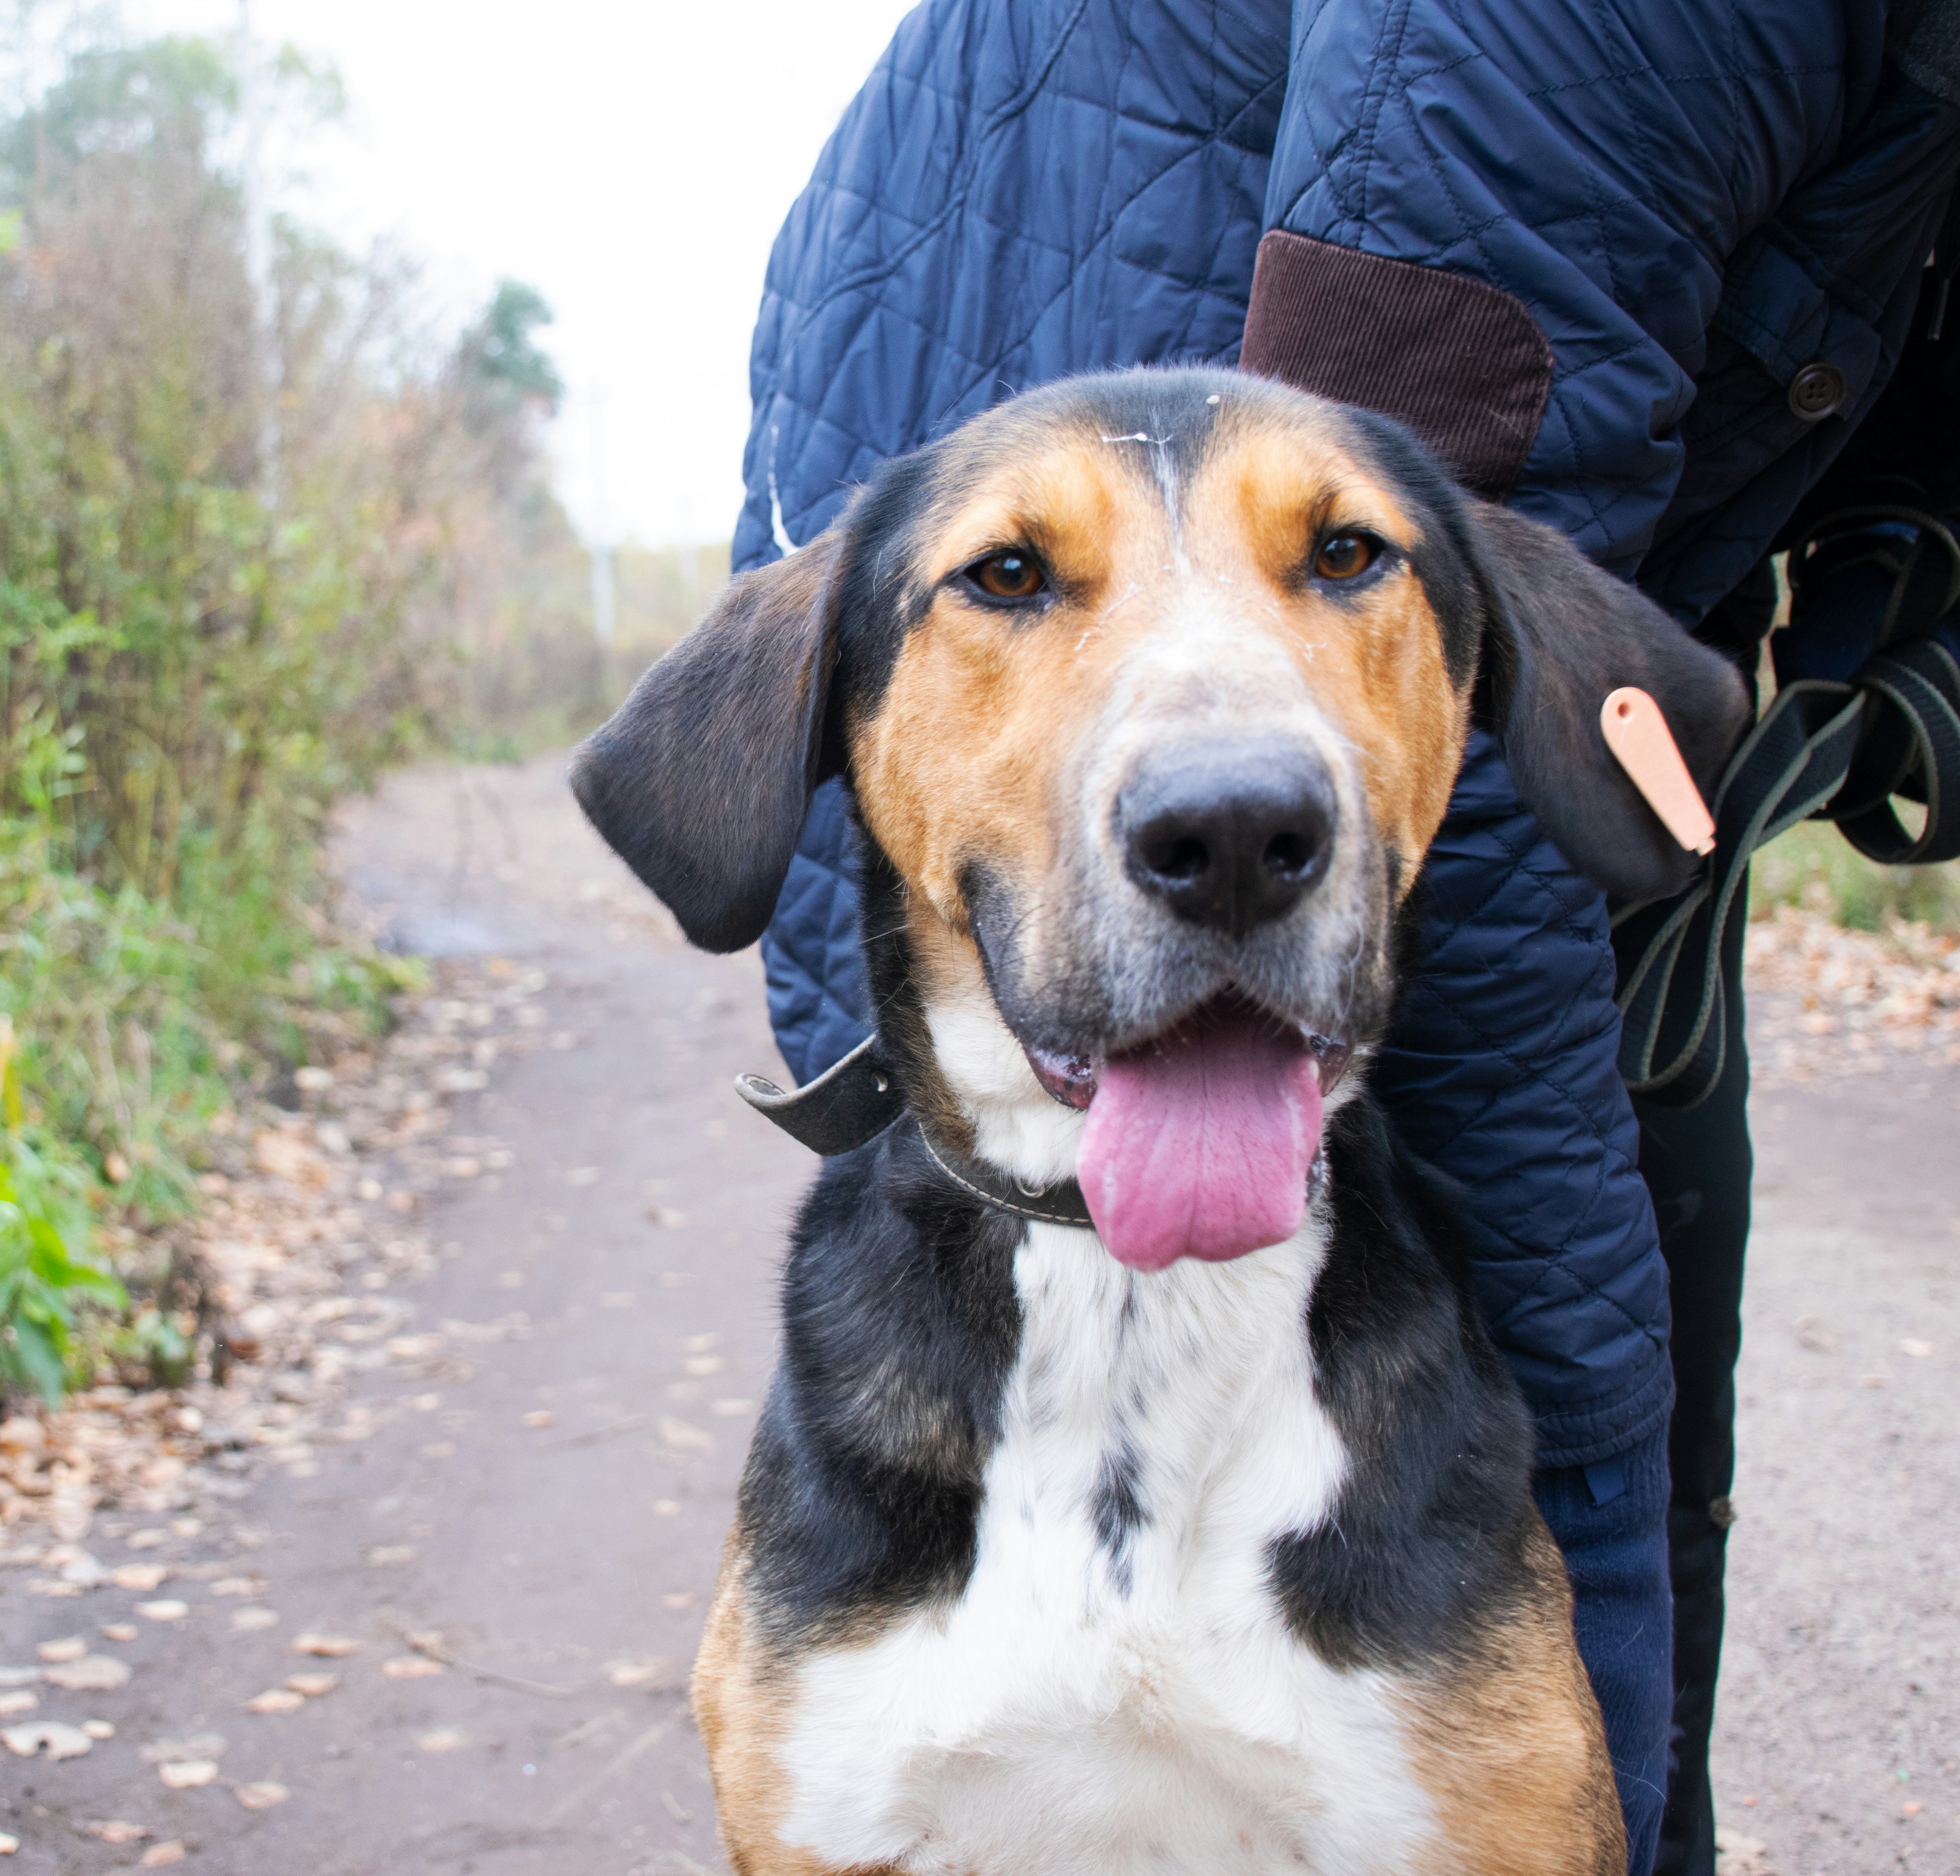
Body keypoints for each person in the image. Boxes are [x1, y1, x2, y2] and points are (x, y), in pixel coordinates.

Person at [733, 6, 1960, 1874]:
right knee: (1528, 1355)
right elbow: (1445, 485)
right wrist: (1579, 1493)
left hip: (1383, 504)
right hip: (994, 472)